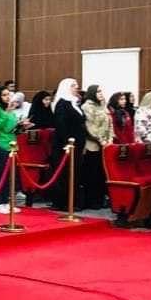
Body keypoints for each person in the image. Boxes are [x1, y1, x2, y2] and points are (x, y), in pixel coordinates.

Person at [51, 78, 86, 210]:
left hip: (77, 144)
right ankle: (63, 202)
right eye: (73, 85)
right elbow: (61, 125)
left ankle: (73, 201)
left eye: (76, 85)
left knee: (75, 172)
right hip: (65, 145)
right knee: (65, 174)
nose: (76, 87)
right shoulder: (62, 104)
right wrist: (67, 142)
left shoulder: (74, 103)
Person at [0, 85, 20, 214]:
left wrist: (21, 125)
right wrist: (6, 113)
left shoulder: (12, 110)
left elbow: (10, 127)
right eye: (4, 95)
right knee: (0, 174)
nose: (7, 97)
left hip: (12, 144)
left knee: (10, 176)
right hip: (1, 144)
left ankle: (7, 201)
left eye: (8, 94)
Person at [81, 85, 111, 209]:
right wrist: (100, 139)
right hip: (92, 144)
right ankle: (91, 200)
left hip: (105, 144)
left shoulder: (103, 105)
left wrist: (109, 139)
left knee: (101, 174)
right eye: (98, 91)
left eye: (101, 91)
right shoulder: (87, 106)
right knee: (92, 173)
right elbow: (90, 126)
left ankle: (100, 198)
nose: (100, 93)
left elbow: (109, 123)